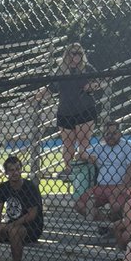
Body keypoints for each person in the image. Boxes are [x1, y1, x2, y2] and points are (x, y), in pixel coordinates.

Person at [34, 43, 101, 175]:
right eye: (74, 53)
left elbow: (97, 83)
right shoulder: (61, 70)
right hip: (65, 110)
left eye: (80, 53)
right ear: (67, 54)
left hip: (84, 108)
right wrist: (36, 97)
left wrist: (91, 86)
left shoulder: (87, 68)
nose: (77, 56)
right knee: (68, 143)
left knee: (83, 141)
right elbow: (51, 87)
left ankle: (85, 169)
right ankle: (69, 170)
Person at [0, 154, 43, 261]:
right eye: (12, 170)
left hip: (31, 228)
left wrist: (11, 225)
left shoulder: (30, 187)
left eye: (18, 169)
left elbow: (32, 215)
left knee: (15, 231)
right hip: (12, 225)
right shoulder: (4, 187)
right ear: (7, 172)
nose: (15, 173)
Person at [75, 120, 131, 225]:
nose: (111, 136)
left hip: (124, 185)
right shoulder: (100, 147)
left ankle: (114, 225)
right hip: (101, 186)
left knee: (116, 206)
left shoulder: (129, 145)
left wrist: (123, 186)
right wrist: (87, 157)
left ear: (120, 133)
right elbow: (78, 155)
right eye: (107, 134)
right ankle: (106, 223)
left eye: (114, 133)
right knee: (79, 204)